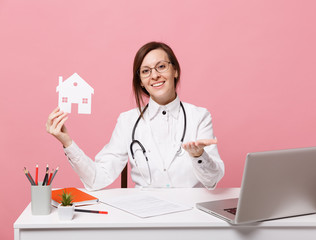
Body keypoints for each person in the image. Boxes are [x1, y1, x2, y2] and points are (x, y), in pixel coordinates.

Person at [46, 41, 224, 190]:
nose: (154, 75)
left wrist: (199, 155)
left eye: (161, 66)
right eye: (146, 71)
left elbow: (212, 181)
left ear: (175, 70)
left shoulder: (199, 117)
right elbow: (97, 179)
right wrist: (67, 143)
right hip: (146, 220)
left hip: (190, 219)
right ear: (141, 81)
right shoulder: (127, 121)